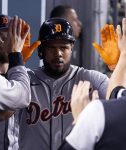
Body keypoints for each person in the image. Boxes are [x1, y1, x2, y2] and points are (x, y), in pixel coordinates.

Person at [18, 18, 109, 150]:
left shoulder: (91, 78)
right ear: (42, 50)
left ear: (71, 48)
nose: (58, 53)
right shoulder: (24, 79)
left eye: (63, 47)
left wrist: (117, 67)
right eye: (51, 47)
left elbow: (120, 100)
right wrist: (15, 65)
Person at [58, 18, 126, 150]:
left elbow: (115, 100)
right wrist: (118, 63)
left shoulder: (97, 113)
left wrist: (82, 123)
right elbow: (116, 94)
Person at [0, 15, 40, 150]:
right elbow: (2, 114)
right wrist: (17, 60)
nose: (5, 42)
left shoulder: (24, 74)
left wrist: (18, 62)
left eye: (10, 37)